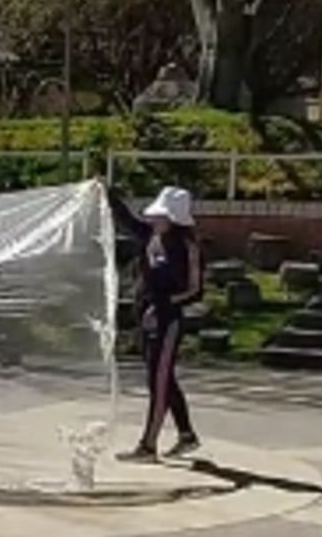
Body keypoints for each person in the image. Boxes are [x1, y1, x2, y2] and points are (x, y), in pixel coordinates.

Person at [109, 185, 203, 463]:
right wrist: (109, 195)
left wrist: (161, 307)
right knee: (162, 380)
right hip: (148, 320)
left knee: (158, 382)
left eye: (161, 216)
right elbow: (127, 222)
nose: (155, 220)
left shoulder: (186, 247)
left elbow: (194, 289)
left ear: (175, 218)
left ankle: (148, 446)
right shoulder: (151, 235)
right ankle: (186, 435)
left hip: (167, 322)